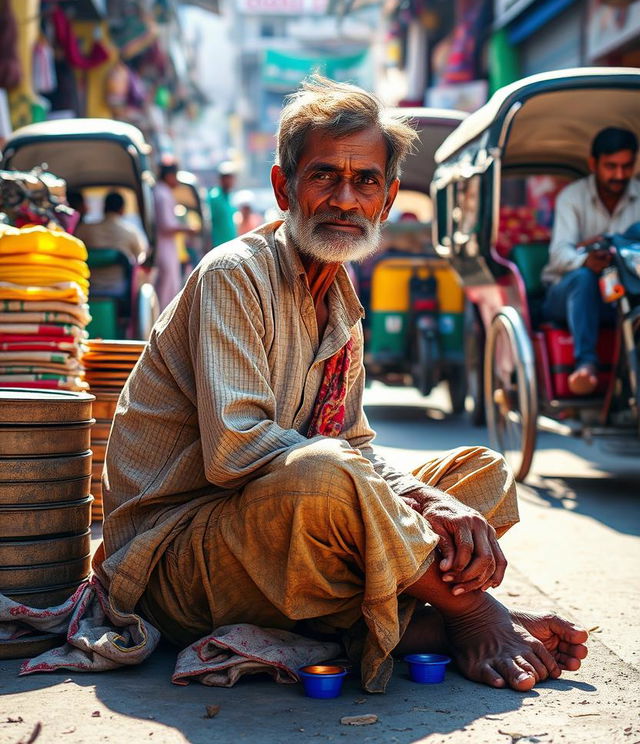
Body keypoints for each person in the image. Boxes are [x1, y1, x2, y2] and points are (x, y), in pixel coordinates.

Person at [95, 78, 588, 694]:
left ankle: (413, 622)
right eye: (324, 176)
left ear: (387, 200)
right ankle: (458, 615)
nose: (345, 200)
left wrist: (431, 499)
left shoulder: (343, 305)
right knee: (328, 476)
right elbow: (235, 451)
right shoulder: (234, 274)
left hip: (279, 536)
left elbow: (355, 445)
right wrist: (470, 595)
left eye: (366, 182)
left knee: (479, 475)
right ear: (284, 187)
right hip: (176, 562)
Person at [542, 126, 639, 395]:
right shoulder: (572, 198)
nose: (619, 175)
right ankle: (586, 364)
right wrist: (586, 260)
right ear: (594, 164)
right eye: (611, 167)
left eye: (626, 166)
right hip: (567, 294)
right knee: (583, 279)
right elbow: (559, 255)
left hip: (624, 293)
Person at [76, 190, 148, 295]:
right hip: (118, 291)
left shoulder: (84, 230)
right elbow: (140, 256)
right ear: (122, 209)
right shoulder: (130, 232)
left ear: (104, 207)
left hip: (87, 289)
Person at [153, 160, 196, 311]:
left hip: (166, 245)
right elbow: (166, 225)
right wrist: (186, 229)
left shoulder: (161, 191)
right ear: (169, 175)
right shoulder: (162, 194)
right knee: (167, 287)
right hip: (163, 246)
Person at [207, 160, 237, 246]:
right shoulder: (214, 197)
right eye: (227, 177)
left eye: (231, 177)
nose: (229, 180)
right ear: (221, 179)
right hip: (218, 245)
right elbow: (208, 223)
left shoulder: (229, 196)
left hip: (230, 243)